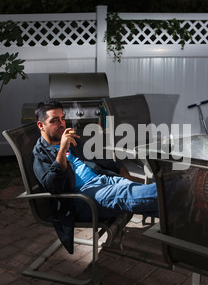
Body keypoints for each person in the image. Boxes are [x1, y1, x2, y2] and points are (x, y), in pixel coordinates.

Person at [30, 101, 158, 253]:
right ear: (41, 125)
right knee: (140, 194)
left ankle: (182, 204)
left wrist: (121, 169)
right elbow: (53, 186)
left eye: (62, 118)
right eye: (54, 120)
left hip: (104, 181)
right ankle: (182, 195)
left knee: (147, 196)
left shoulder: (74, 140)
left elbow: (99, 158)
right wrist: (63, 149)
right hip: (83, 196)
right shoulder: (39, 154)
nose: (61, 124)